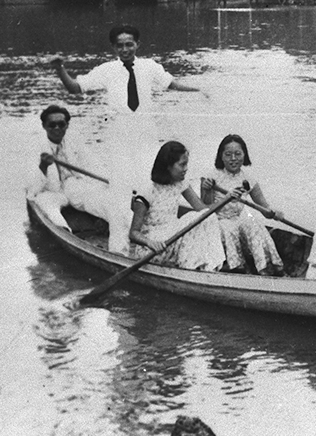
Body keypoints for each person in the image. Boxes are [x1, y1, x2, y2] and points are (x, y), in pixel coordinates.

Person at [49, 24, 204, 253]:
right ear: (113, 47)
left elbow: (172, 84)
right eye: (120, 45)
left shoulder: (149, 67)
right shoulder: (107, 70)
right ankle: (119, 251)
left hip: (146, 135)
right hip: (120, 137)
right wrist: (60, 69)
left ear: (137, 44)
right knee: (120, 198)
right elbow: (75, 88)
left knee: (153, 187)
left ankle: (156, 243)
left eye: (129, 44)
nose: (125, 49)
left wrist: (199, 91)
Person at [129, 141, 226, 270]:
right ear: (168, 166)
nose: (186, 168)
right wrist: (151, 243)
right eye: (182, 165)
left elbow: (204, 211)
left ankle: (210, 266)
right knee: (192, 218)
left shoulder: (180, 183)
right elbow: (133, 233)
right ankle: (190, 267)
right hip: (154, 249)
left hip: (172, 239)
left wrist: (227, 198)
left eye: (186, 164)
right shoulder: (147, 192)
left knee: (209, 217)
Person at [200, 134, 285, 276]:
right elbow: (204, 210)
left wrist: (275, 213)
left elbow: (264, 208)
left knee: (255, 225)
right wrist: (210, 190)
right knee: (228, 228)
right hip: (216, 222)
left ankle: (268, 268)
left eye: (238, 154)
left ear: (244, 155)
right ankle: (237, 267)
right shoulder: (210, 177)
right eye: (228, 154)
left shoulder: (248, 179)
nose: (233, 159)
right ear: (221, 156)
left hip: (237, 220)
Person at [27, 105, 116, 240]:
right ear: (44, 126)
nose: (57, 128)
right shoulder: (35, 147)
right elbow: (33, 189)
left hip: (73, 186)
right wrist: (43, 166)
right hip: (52, 192)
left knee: (101, 199)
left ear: (67, 125)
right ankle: (66, 234)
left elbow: (93, 165)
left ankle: (116, 225)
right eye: (52, 125)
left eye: (61, 124)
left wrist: (109, 183)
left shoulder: (75, 141)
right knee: (45, 204)